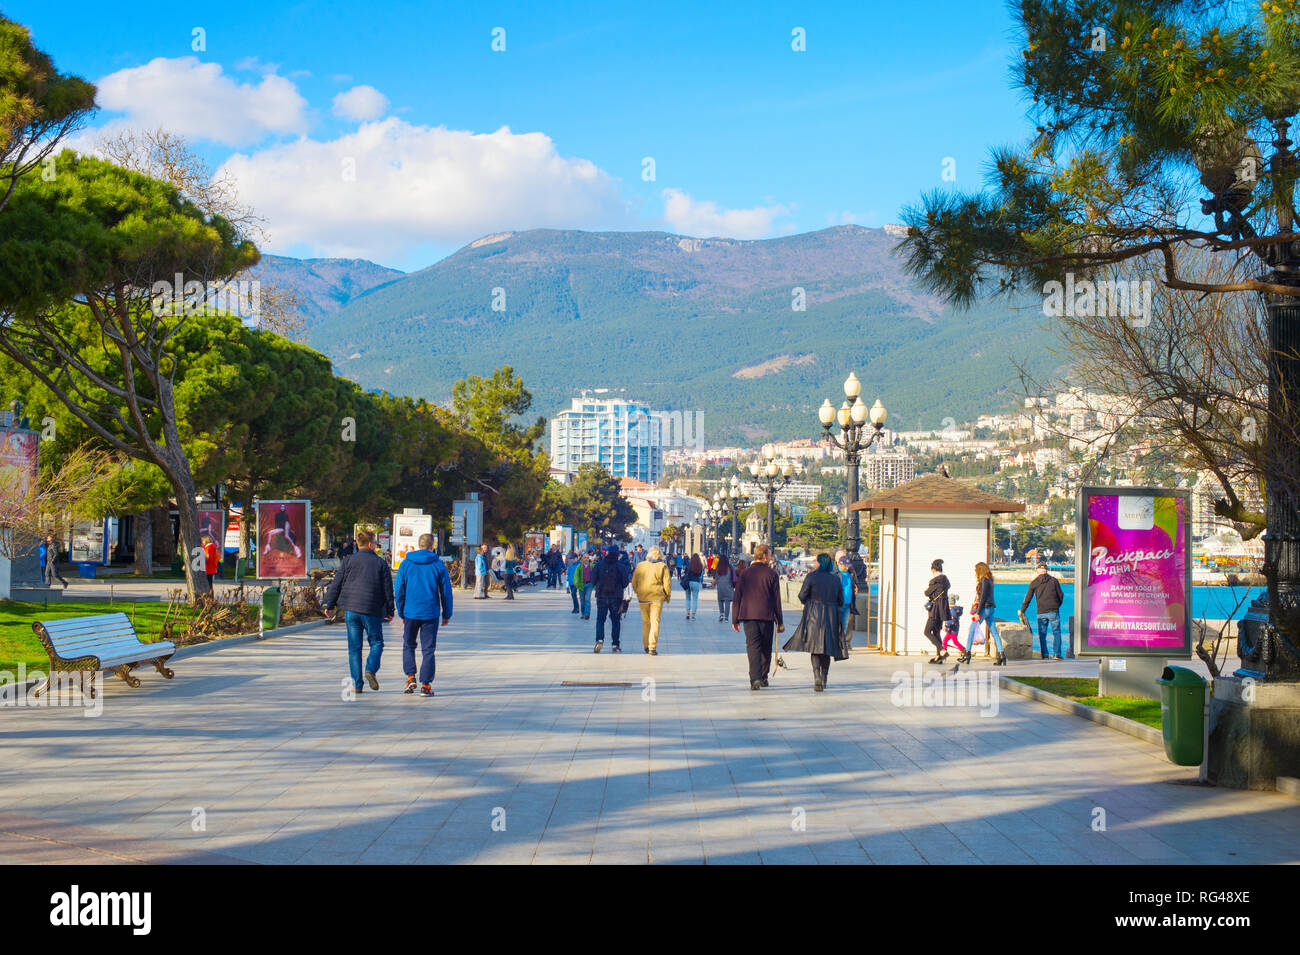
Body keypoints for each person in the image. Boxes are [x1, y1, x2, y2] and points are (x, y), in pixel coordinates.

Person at [323, 529, 395, 695]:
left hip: (351, 610)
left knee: (354, 648)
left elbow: (337, 583)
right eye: (376, 543)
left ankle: (356, 684)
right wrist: (390, 610)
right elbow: (387, 590)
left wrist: (329, 604)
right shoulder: (380, 563)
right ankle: (370, 669)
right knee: (376, 643)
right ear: (370, 544)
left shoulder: (348, 561)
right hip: (371, 609)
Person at [394, 533, 453, 697]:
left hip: (411, 612)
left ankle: (410, 677)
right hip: (430, 613)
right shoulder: (438, 565)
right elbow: (446, 591)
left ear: (419, 545)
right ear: (432, 546)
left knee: (408, 645)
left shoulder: (406, 564)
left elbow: (399, 589)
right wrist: (447, 613)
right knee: (428, 649)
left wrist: (401, 611)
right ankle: (425, 685)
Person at [783, 553, 846, 692]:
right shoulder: (835, 579)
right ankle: (824, 678)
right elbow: (841, 600)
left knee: (815, 647)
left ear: (820, 563)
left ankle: (816, 675)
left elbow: (802, 595)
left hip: (814, 614)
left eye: (815, 561)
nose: (814, 563)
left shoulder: (811, 577)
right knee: (827, 648)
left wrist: (810, 602)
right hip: (831, 615)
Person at [732, 545, 784, 690]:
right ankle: (763, 676)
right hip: (766, 616)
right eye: (769, 554)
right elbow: (776, 600)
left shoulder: (745, 573)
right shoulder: (772, 574)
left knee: (753, 647)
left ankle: (754, 678)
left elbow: (737, 597)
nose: (771, 557)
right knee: (766, 647)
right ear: (763, 556)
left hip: (748, 615)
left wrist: (735, 619)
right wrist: (780, 621)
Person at [961, 561, 1006, 666]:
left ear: (979, 570)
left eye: (976, 571)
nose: (975, 573)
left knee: (972, 629)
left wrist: (977, 613)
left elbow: (982, 598)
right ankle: (1002, 655)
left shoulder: (984, 581)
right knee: (994, 631)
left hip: (984, 609)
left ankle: (967, 653)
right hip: (990, 608)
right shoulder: (990, 580)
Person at [1020, 559, 1066, 660]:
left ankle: (1044, 655)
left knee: (1042, 634)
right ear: (1047, 570)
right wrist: (1057, 605)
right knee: (1056, 632)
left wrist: (1022, 610)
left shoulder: (1034, 583)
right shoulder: (1054, 581)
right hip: (1053, 610)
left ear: (1037, 571)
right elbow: (1061, 595)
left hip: (1041, 611)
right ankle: (1057, 654)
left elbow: (1028, 598)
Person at [632, 545, 673, 654]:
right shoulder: (662, 566)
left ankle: (646, 645)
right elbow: (667, 584)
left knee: (646, 622)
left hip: (643, 598)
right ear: (660, 554)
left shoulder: (640, 565)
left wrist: (638, 592)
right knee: (655, 621)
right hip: (656, 598)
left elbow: (634, 582)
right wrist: (667, 596)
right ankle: (652, 646)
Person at [592, 545, 631, 653]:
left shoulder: (599, 565)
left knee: (600, 619)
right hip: (616, 597)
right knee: (615, 621)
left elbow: (593, 579)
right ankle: (615, 644)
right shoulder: (620, 566)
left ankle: (599, 639)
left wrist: (599, 585)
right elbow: (625, 582)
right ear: (618, 554)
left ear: (607, 553)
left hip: (601, 596)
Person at [923, 559, 951, 664]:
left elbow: (927, 593)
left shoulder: (935, 581)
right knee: (936, 632)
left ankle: (942, 651)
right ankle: (939, 657)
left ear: (934, 569)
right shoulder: (946, 581)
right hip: (943, 609)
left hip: (935, 610)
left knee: (927, 631)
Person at [834, 550, 858, 650]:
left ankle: (844, 644)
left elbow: (855, 583)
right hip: (837, 603)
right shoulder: (834, 573)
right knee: (835, 625)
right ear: (838, 562)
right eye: (845, 565)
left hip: (848, 604)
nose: (847, 567)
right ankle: (835, 644)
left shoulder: (851, 572)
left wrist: (856, 588)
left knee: (845, 626)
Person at [714, 553, 735, 622]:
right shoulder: (730, 568)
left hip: (720, 586)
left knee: (720, 600)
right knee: (727, 602)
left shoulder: (718, 568)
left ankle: (721, 614)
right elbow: (733, 577)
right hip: (728, 586)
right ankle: (726, 618)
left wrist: (713, 584)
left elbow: (716, 577)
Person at [683, 553, 704, 620]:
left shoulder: (689, 564)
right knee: (695, 599)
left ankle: (688, 613)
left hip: (688, 582)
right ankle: (693, 615)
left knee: (688, 598)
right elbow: (700, 574)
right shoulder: (700, 565)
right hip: (696, 582)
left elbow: (686, 572)